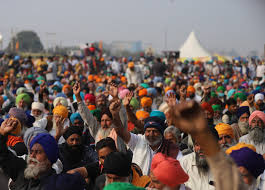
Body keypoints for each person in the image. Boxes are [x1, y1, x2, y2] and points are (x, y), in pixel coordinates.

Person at [0, 119, 85, 190]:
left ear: (49, 158)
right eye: (31, 151)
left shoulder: (61, 183)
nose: (32, 156)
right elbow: (3, 155)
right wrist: (2, 134)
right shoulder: (21, 172)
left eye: (38, 152)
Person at [111, 98, 180, 175]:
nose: (151, 134)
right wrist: (114, 114)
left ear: (161, 133)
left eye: (155, 131)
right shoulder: (138, 141)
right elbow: (120, 131)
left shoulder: (172, 149)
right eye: (148, 131)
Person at [73, 81, 127, 152]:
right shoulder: (97, 130)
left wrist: (116, 97)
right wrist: (78, 96)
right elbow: (87, 117)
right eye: (102, 120)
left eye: (107, 120)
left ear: (113, 121)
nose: (104, 123)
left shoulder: (118, 131)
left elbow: (122, 116)